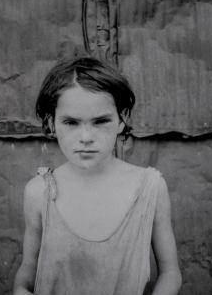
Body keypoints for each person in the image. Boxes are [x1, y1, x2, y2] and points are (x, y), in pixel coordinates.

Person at [13, 57, 182, 295]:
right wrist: (20, 290)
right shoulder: (38, 192)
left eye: (100, 121)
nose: (86, 137)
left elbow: (170, 272)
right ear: (51, 122)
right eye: (71, 122)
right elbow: (28, 271)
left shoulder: (150, 188)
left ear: (122, 119)